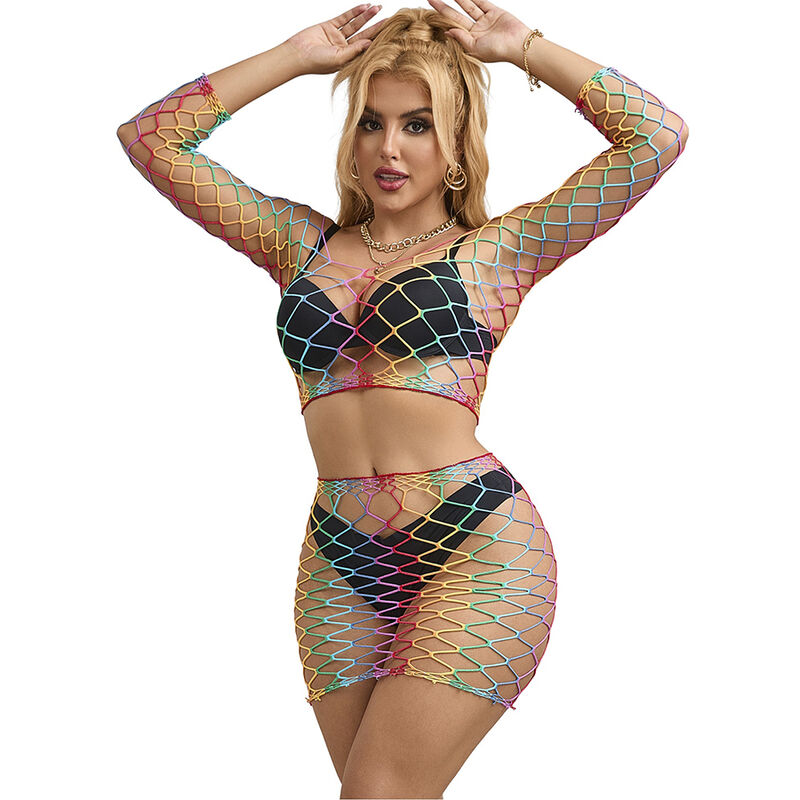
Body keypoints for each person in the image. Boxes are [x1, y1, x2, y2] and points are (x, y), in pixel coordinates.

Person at [117, 1, 688, 796]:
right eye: (371, 123)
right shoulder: (298, 246)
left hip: (477, 545)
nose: (389, 147)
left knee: (378, 790)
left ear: (455, 145)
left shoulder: (499, 252)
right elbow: (150, 138)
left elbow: (656, 135)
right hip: (340, 554)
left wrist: (524, 47)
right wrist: (294, 56)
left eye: (418, 125)